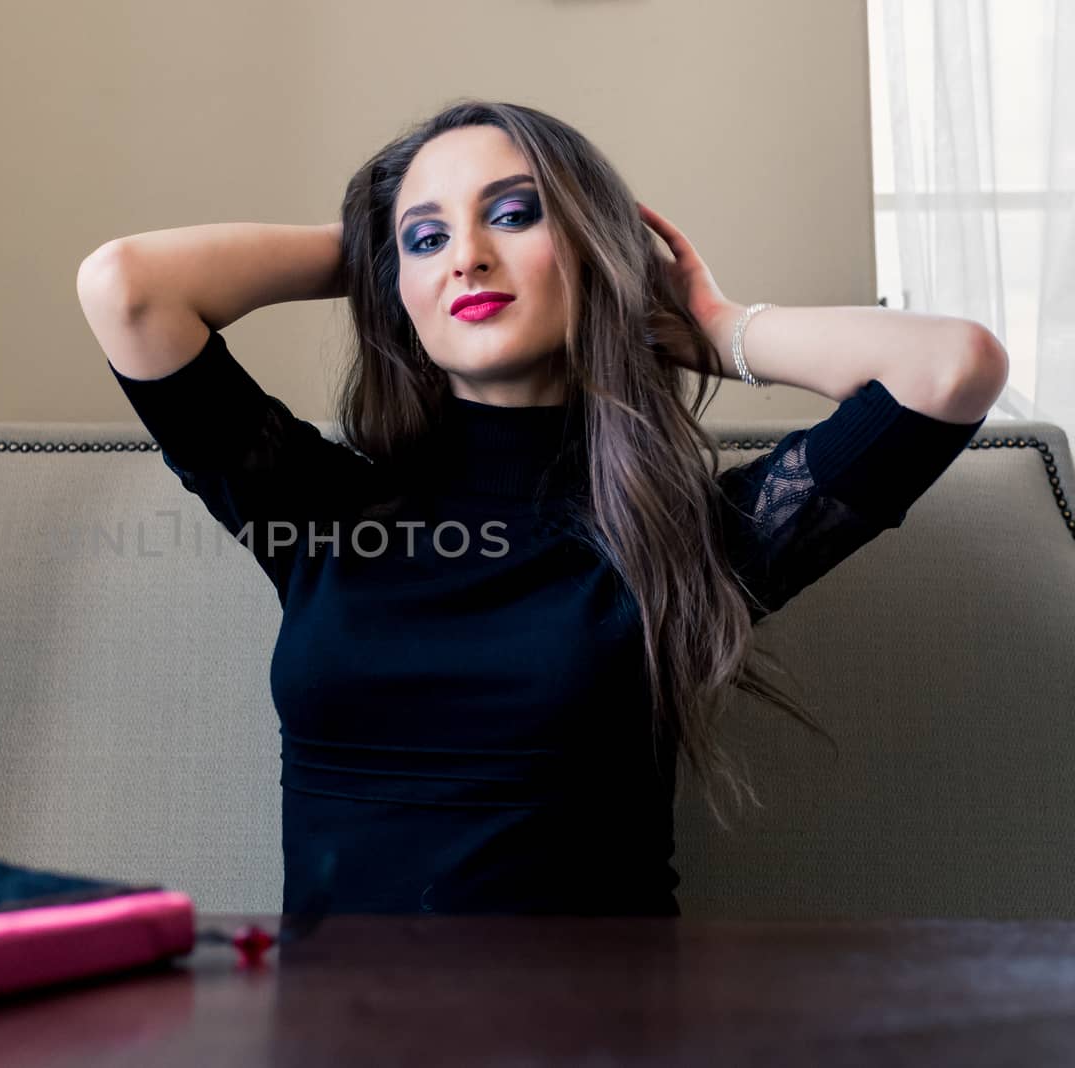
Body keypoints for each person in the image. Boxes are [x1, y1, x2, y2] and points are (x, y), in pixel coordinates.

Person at [74, 99, 1007, 918]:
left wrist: (718, 332)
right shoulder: (318, 509)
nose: (468, 258)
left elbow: (951, 368)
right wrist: (374, 245)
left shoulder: (687, 539)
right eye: (428, 238)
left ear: (593, 253)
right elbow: (128, 287)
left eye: (514, 216)